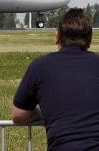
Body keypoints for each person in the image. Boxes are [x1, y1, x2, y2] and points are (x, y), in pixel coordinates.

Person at [12, 8, 99, 150]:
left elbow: (18, 115)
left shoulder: (40, 66)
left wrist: (41, 114)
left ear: (57, 37)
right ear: (89, 40)